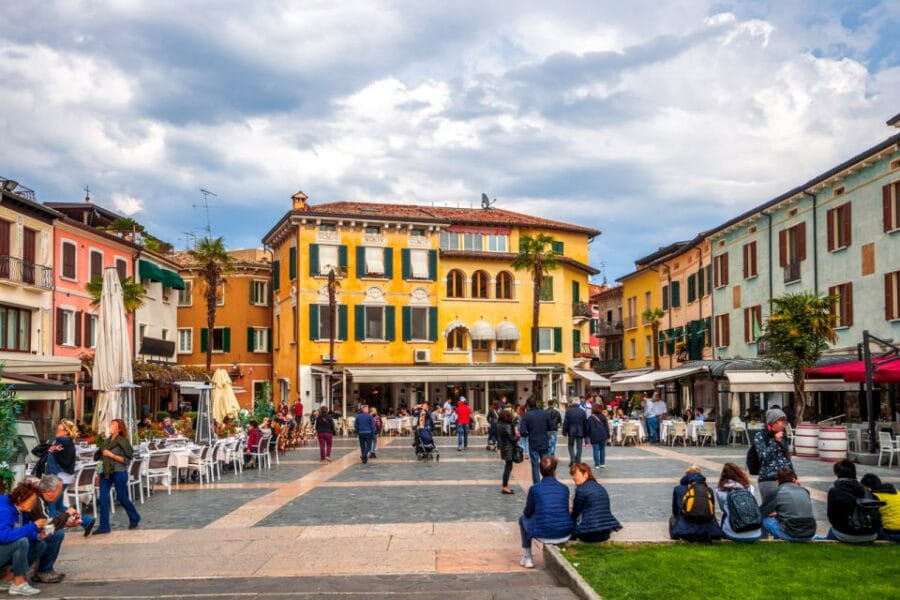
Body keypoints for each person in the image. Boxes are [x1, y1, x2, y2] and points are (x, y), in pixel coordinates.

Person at [518, 456, 573, 569]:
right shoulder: (564, 488)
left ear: (540, 471)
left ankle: (528, 557)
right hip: (565, 533)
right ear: (555, 470)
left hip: (543, 534)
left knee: (522, 519)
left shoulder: (535, 489)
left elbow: (527, 513)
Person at [0, 480, 47, 596]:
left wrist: (36, 535)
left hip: (5, 549)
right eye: (32, 501)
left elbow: (22, 530)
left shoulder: (22, 510)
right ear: (21, 498)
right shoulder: (4, 510)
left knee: (40, 544)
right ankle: (19, 584)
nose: (34, 504)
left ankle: (6, 580)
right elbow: (4, 536)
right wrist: (33, 526)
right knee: (21, 542)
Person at [94, 419, 141, 535]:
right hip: (106, 472)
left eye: (113, 425)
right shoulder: (106, 441)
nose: (111, 426)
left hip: (119, 472)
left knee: (121, 498)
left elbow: (127, 460)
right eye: (111, 424)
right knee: (103, 498)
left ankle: (135, 517)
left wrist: (111, 455)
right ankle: (104, 526)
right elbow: (101, 456)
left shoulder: (123, 441)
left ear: (119, 429)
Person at [29, 475, 75, 583]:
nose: (59, 495)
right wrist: (67, 515)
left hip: (32, 532)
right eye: (58, 492)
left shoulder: (40, 499)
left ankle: (45, 569)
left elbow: (48, 519)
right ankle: (44, 571)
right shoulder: (37, 500)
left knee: (56, 533)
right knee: (56, 534)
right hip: (28, 535)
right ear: (49, 492)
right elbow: (47, 525)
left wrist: (66, 521)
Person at [823, 460, 879, 543]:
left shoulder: (834, 492)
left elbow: (831, 516)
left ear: (837, 473)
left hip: (847, 534)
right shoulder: (866, 490)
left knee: (830, 535)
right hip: (871, 534)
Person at [759, 467, 817, 542]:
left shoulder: (777, 492)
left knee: (763, 519)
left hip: (791, 533)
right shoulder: (804, 490)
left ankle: (762, 541)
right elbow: (797, 511)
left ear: (777, 480)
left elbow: (762, 512)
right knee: (778, 519)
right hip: (809, 533)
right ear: (793, 479)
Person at [570, 463, 621, 542]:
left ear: (585, 474)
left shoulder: (581, 490)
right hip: (605, 532)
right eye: (572, 475)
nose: (573, 478)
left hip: (589, 534)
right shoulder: (598, 486)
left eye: (575, 475)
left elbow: (576, 513)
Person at [669, 465, 722, 542]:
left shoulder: (678, 489)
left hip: (685, 527)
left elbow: (675, 509)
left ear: (686, 476)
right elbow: (712, 509)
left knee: (672, 518)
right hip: (707, 527)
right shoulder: (708, 490)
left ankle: (676, 535)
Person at [753, 408, 793, 507]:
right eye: (781, 420)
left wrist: (794, 476)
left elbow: (786, 458)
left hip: (785, 479)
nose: (784, 424)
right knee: (770, 511)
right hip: (769, 479)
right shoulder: (760, 436)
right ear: (773, 422)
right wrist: (775, 441)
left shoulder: (782, 436)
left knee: (786, 510)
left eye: (785, 421)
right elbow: (763, 456)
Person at [714, 463, 761, 542]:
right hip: (755, 532)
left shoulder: (720, 491)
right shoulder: (750, 488)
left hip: (733, 533)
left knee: (726, 514)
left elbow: (722, 508)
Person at [519, 399, 551, 485]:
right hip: (544, 442)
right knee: (545, 465)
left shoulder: (526, 416)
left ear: (528, 406)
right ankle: (547, 483)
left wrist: (528, 433)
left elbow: (522, 431)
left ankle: (537, 484)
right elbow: (550, 426)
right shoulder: (544, 413)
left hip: (533, 443)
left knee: (535, 465)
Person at [861, 474, 900, 542]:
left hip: (891, 533)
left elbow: (873, 519)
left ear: (868, 488)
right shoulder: (897, 492)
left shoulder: (874, 497)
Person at [498, 410, 518, 495]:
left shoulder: (500, 425)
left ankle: (505, 486)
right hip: (508, 449)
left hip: (504, 448)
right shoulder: (507, 426)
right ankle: (505, 487)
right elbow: (512, 439)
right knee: (508, 468)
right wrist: (518, 436)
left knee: (508, 467)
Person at [563, 399, 587, 466]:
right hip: (580, 431)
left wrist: (564, 432)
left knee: (570, 445)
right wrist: (585, 433)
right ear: (579, 403)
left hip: (571, 431)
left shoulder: (568, 411)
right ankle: (578, 460)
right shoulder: (582, 411)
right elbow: (585, 423)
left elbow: (566, 422)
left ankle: (572, 458)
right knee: (579, 447)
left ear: (572, 403)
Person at [585, 404, 610, 469]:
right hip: (603, 435)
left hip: (594, 435)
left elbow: (588, 428)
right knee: (602, 449)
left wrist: (586, 435)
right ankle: (602, 463)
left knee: (595, 450)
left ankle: (596, 464)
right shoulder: (603, 417)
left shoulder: (590, 417)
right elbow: (606, 427)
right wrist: (608, 435)